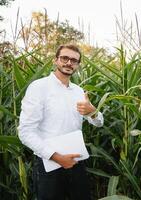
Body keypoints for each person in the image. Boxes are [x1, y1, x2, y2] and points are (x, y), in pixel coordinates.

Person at [18, 44, 104, 200]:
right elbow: (25, 132)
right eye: (65, 58)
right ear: (55, 60)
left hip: (77, 161)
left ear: (78, 65)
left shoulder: (78, 91)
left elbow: (98, 123)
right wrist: (57, 157)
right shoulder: (39, 87)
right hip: (49, 164)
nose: (69, 63)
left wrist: (93, 112)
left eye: (74, 60)